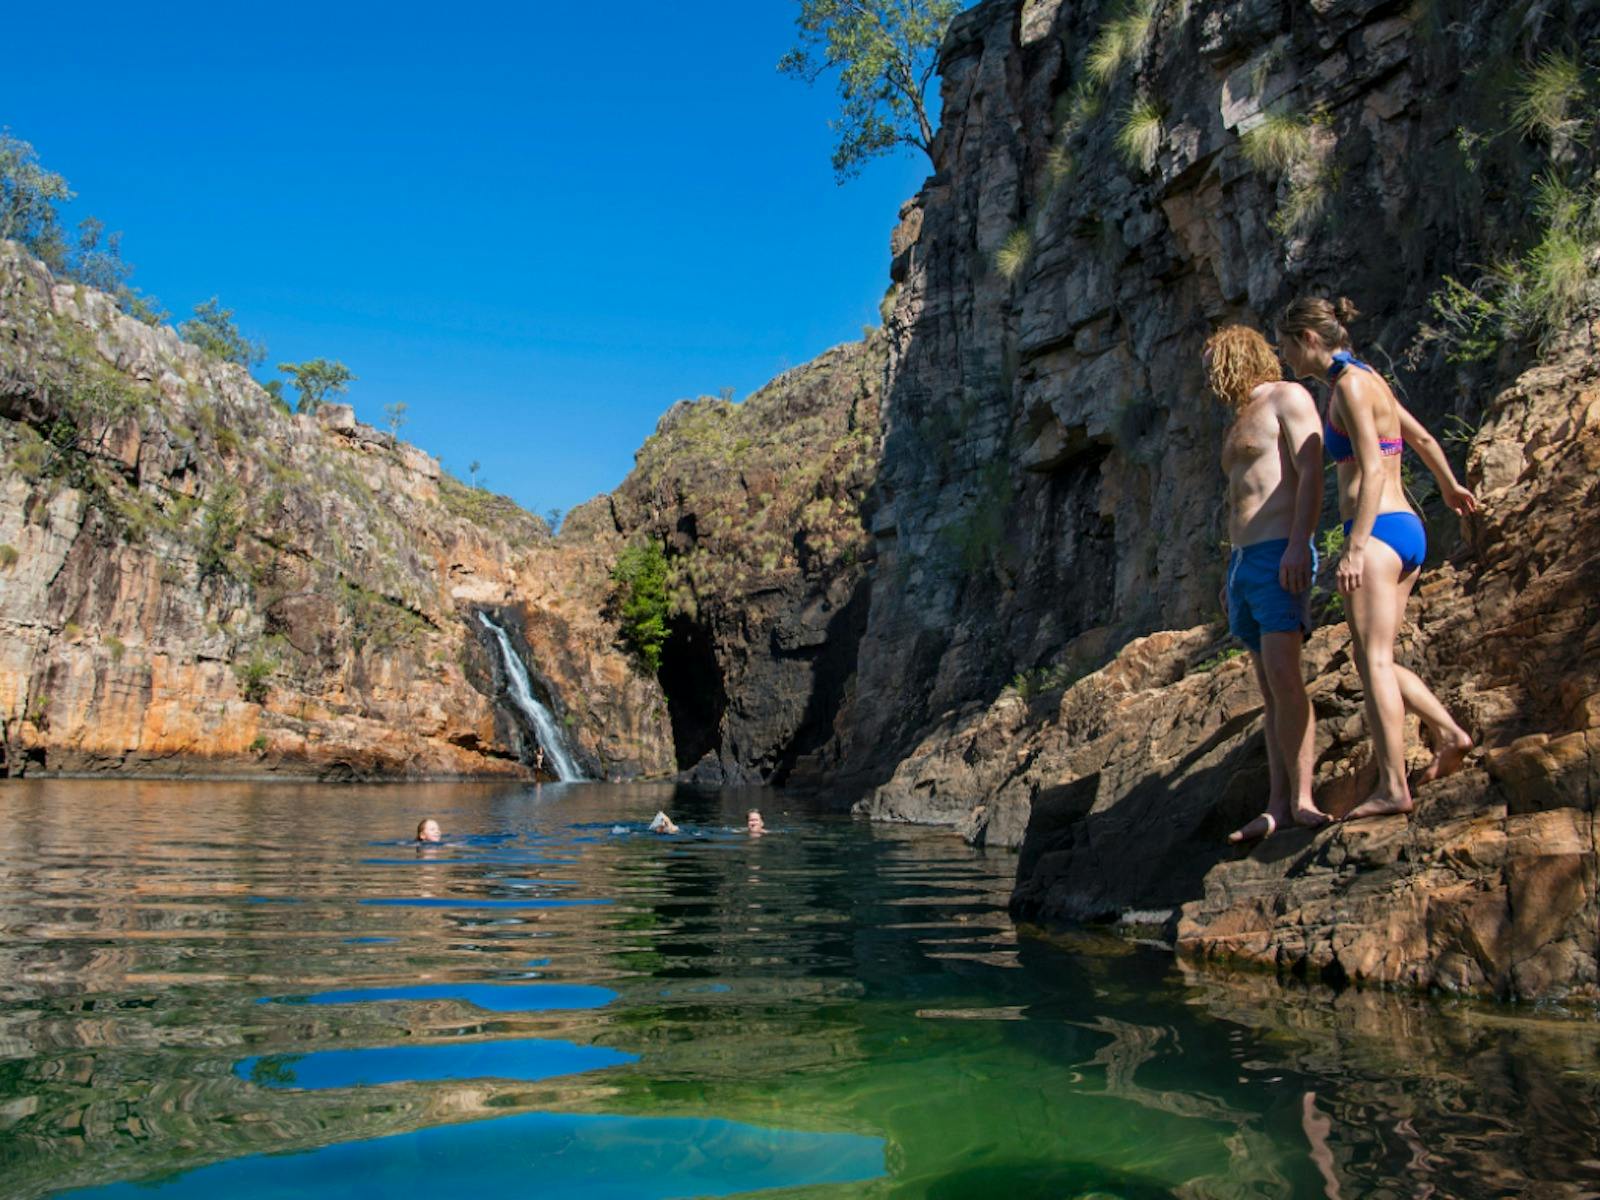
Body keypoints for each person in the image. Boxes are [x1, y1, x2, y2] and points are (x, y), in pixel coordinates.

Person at [1277, 297, 1477, 819]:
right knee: (1378, 660)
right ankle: (1450, 733)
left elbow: (1368, 465)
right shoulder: (1371, 379)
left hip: (1379, 534)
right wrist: (1450, 486)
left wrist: (1355, 547)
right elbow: (1422, 436)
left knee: (1375, 662)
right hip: (1406, 529)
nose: (1285, 357)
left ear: (1309, 340)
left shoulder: (1348, 387)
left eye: (1287, 345)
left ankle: (1393, 787)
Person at [1204, 325, 1331, 842]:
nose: (1209, 375)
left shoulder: (1288, 397)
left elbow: (1312, 470)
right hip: (1244, 563)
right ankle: (1277, 804)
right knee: (1267, 688)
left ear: (1235, 356)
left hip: (1281, 551)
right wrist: (1229, 569)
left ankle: (1303, 798)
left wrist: (1300, 542)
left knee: (1285, 677)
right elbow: (1239, 496)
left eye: (1212, 361)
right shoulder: (1238, 421)